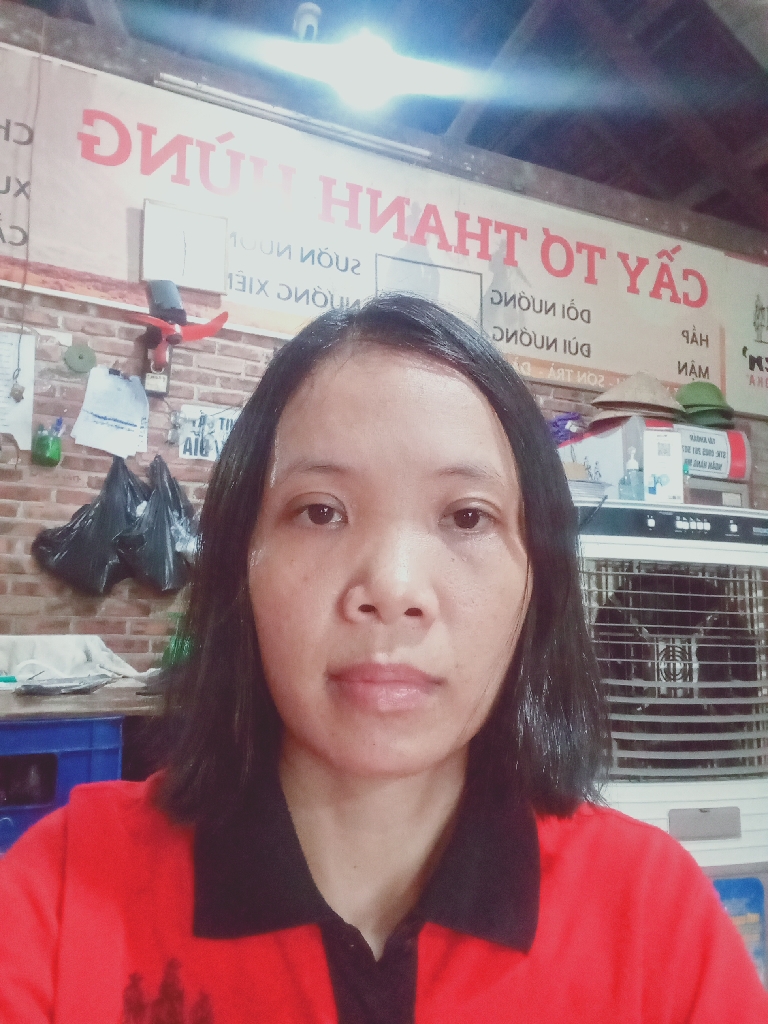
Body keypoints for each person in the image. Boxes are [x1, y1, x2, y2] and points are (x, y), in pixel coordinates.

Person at [1, 294, 766, 1023]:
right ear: (241, 563)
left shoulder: (654, 918)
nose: (394, 589)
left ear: (538, 581)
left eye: (467, 517)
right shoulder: (61, 899)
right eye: (320, 511)